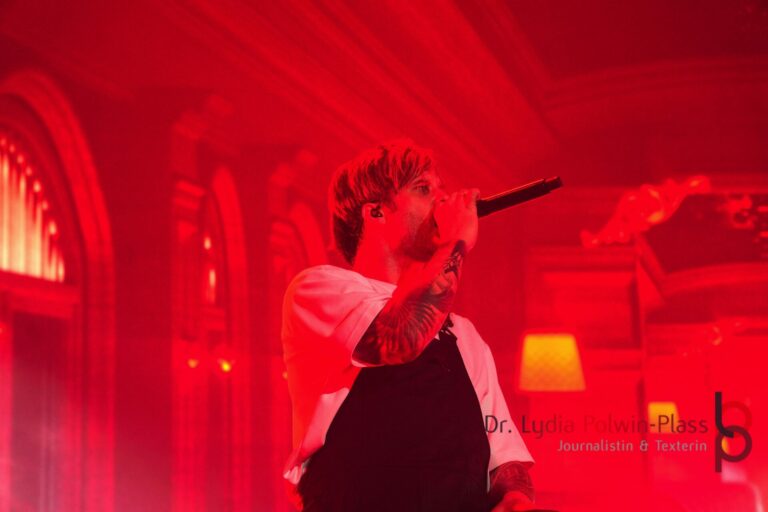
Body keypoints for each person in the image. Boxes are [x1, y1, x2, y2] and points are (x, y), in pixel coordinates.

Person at [282, 141, 535, 511]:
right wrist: (454, 242)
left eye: (441, 188)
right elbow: (399, 339)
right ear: (376, 212)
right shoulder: (320, 289)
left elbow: (504, 454)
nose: (443, 199)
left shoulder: (464, 334)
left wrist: (515, 497)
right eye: (423, 188)